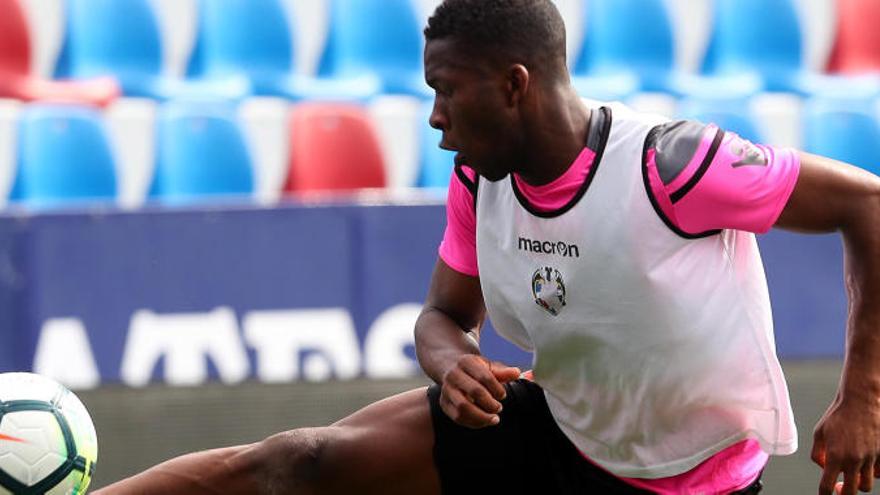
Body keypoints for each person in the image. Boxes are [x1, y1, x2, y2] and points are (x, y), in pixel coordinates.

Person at [95, 1, 880, 494]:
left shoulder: (670, 164)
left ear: (514, 84)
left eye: (445, 88)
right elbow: (443, 314)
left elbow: (866, 204)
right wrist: (452, 364)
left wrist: (863, 398)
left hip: (694, 478)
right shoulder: (480, 176)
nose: (433, 116)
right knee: (300, 460)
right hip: (556, 433)